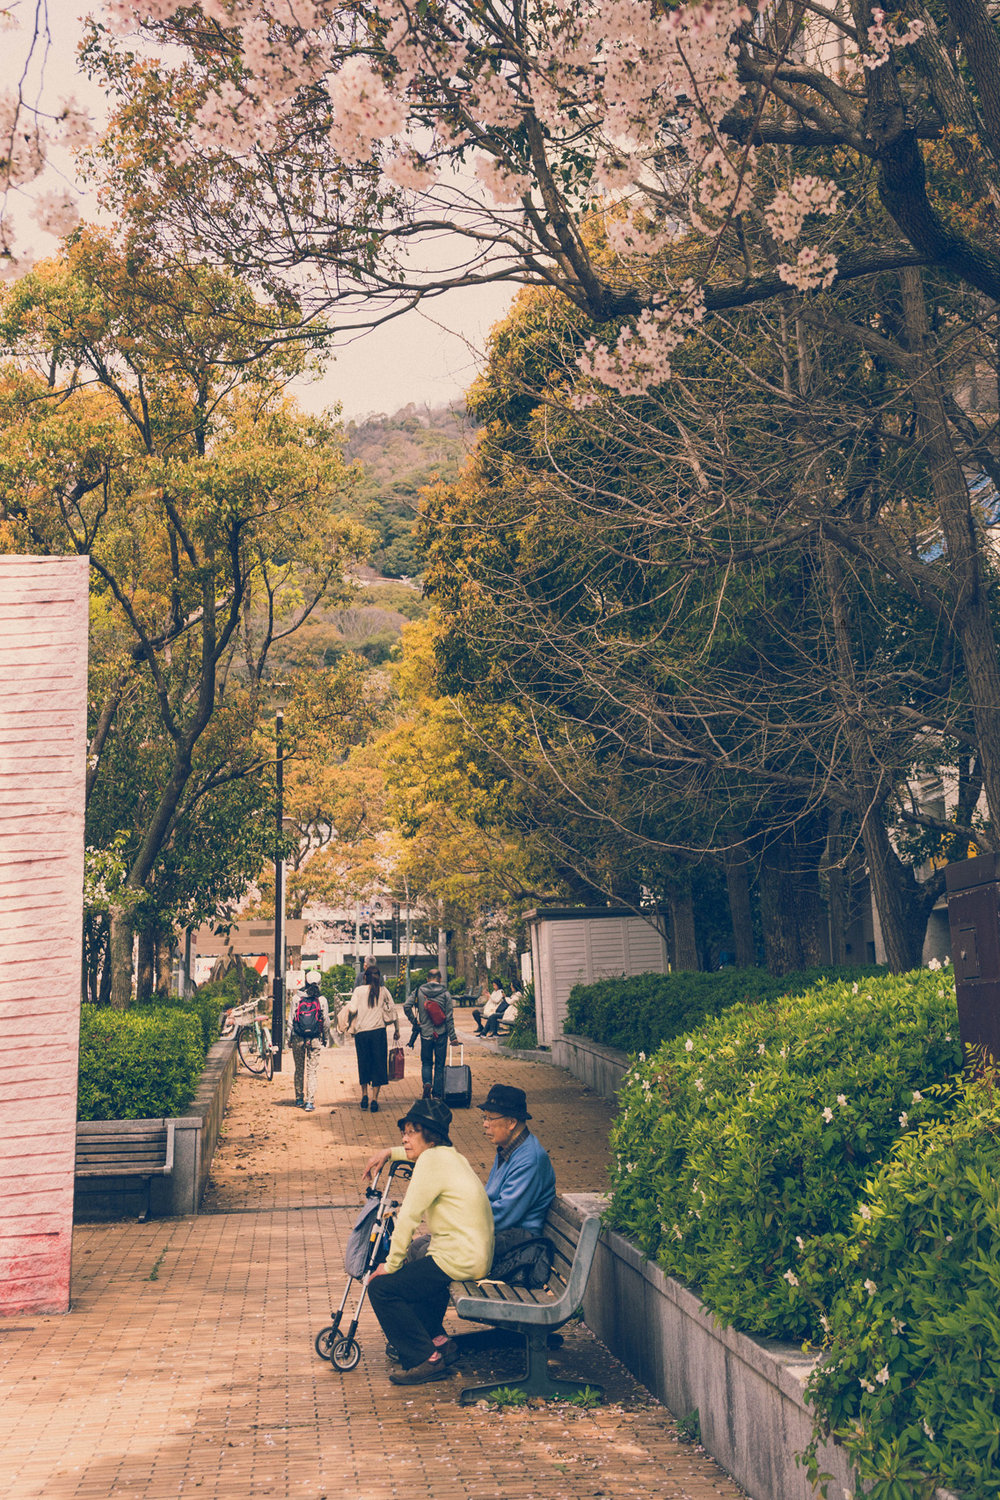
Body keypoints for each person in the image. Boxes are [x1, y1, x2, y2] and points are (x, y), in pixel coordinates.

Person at [363, 1099, 493, 1385]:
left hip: (458, 1257)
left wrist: (390, 1264)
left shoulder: (431, 1162)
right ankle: (439, 1341)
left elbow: (408, 1217)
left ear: (430, 1136)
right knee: (420, 1266)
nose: (405, 1139)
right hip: (468, 1255)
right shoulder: (450, 1156)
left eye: (412, 1133)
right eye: (404, 1133)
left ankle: (425, 1359)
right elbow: (414, 1153)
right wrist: (389, 1152)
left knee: (382, 1288)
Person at [479, 1083, 556, 1261]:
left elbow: (503, 1216)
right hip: (498, 1236)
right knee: (421, 1246)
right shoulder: (508, 1149)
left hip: (516, 1246)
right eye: (485, 1117)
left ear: (512, 1122)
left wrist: (460, 1225)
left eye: (490, 1118)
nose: (485, 1124)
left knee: (429, 1252)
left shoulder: (530, 1160)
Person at [341, 964, 400, 1113]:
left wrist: (347, 1018)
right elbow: (393, 1010)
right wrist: (397, 1030)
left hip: (362, 1033)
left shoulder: (359, 991)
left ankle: (364, 1095)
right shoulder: (383, 991)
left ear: (365, 977)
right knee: (378, 1065)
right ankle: (375, 1099)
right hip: (378, 1032)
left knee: (364, 1063)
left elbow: (353, 1009)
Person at [403, 970, 457, 1099]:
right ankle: (437, 1094)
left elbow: (406, 1006)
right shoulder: (445, 993)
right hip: (442, 1033)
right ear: (440, 978)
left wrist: (414, 1021)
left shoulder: (419, 991)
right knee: (439, 1064)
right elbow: (449, 1017)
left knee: (426, 1062)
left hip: (425, 1032)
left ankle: (427, 1083)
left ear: (427, 979)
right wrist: (453, 1037)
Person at [285, 971, 332, 1112]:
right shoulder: (322, 1000)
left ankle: (299, 1098)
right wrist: (326, 1038)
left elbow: (290, 1021)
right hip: (315, 1039)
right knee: (312, 1071)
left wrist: (289, 1038)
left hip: (298, 1037)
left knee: (299, 1069)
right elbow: (326, 1022)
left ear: (305, 981)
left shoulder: (296, 998)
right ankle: (309, 1102)